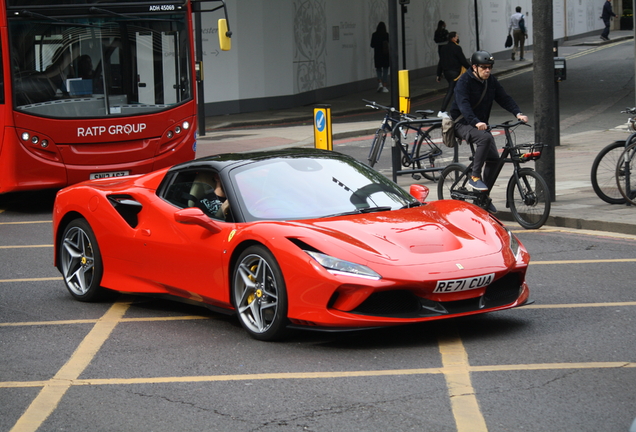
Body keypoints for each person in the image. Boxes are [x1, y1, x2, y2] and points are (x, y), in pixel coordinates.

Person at [449, 51, 528, 213]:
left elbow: (504, 97)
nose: (487, 70)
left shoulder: (490, 81)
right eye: (484, 67)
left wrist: (518, 113)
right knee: (485, 139)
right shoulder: (463, 82)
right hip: (462, 124)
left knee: (493, 160)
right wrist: (476, 121)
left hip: (479, 125)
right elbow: (463, 105)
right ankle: (475, 177)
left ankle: (483, 198)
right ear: (474, 67)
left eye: (490, 67)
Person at [436, 32, 470, 118]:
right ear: (453, 38)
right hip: (455, 73)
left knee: (457, 90)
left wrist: (438, 74)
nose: (458, 38)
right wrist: (472, 69)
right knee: (453, 90)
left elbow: (441, 62)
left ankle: (458, 110)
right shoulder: (457, 48)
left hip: (447, 73)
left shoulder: (443, 48)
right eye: (457, 37)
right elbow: (463, 61)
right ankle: (442, 110)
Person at [370, 22, 390, 93]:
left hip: (378, 54)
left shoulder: (374, 35)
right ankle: (384, 86)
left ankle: (380, 83)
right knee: (385, 70)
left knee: (378, 69)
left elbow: (372, 45)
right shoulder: (386, 35)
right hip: (385, 55)